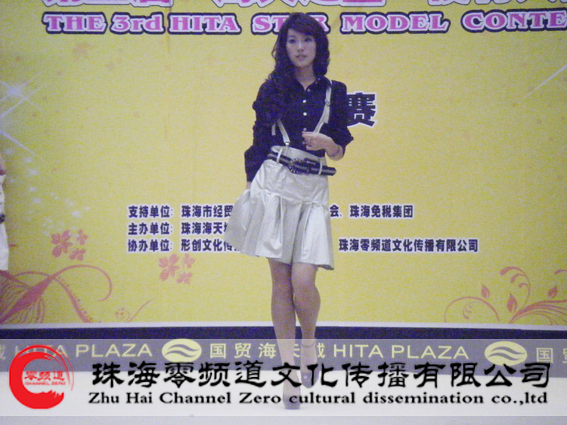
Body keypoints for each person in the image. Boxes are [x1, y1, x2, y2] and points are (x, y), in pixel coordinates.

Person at [225, 12, 353, 409]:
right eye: (293, 40)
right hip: (274, 183)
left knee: (303, 281)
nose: (300, 48)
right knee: (280, 284)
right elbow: (259, 139)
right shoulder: (272, 87)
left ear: (318, 45)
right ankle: (289, 374)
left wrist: (328, 144)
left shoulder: (334, 90)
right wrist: (253, 189)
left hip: (313, 187)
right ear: (283, 47)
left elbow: (341, 146)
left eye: (307, 40)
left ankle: (309, 343)